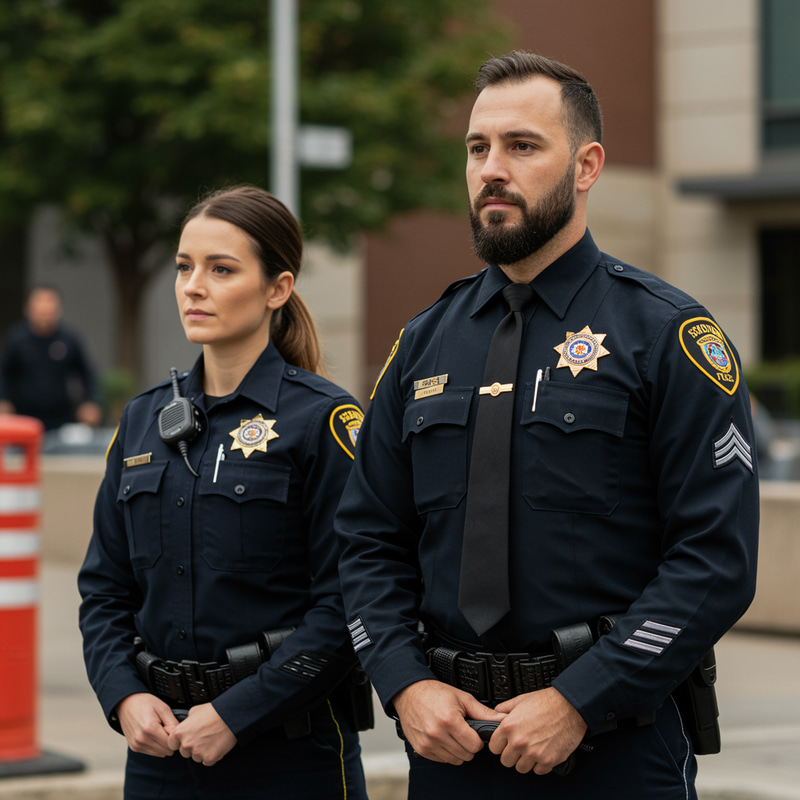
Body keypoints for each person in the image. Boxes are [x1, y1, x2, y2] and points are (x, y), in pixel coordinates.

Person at [335, 51, 759, 799]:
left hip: (615, 748)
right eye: (477, 148)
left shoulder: (665, 335)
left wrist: (579, 699)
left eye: (522, 146)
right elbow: (367, 539)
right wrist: (405, 684)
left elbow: (714, 561)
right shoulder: (422, 343)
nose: (491, 169)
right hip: (451, 747)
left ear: (587, 165)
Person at [78, 186, 369, 800]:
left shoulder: (323, 421)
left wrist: (240, 712)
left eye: (221, 269)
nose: (193, 286)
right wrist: (124, 696)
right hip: (161, 750)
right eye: (185, 267)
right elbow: (104, 589)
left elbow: (351, 604)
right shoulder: (142, 421)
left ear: (277, 289)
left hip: (289, 752)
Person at [0, 284, 102, 429]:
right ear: (27, 309)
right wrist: (3, 400)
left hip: (61, 418)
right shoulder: (16, 339)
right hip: (23, 417)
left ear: (58, 309)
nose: (45, 311)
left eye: (49, 305)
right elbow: (4, 373)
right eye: (39, 306)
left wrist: (91, 402)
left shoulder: (69, 339)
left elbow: (88, 373)